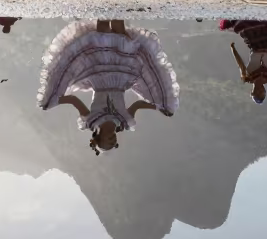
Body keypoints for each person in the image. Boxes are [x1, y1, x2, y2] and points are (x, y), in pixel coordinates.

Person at [37, 20, 179, 154]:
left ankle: (104, 2)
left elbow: (73, 100)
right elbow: (138, 104)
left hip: (99, 75)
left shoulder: (90, 120)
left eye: (108, 141)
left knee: (102, 33)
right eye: (113, 143)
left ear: (98, 136)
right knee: (121, 34)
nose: (113, 140)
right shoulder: (124, 122)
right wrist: (160, 107)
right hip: (122, 77)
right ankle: (118, 4)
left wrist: (52, 102)